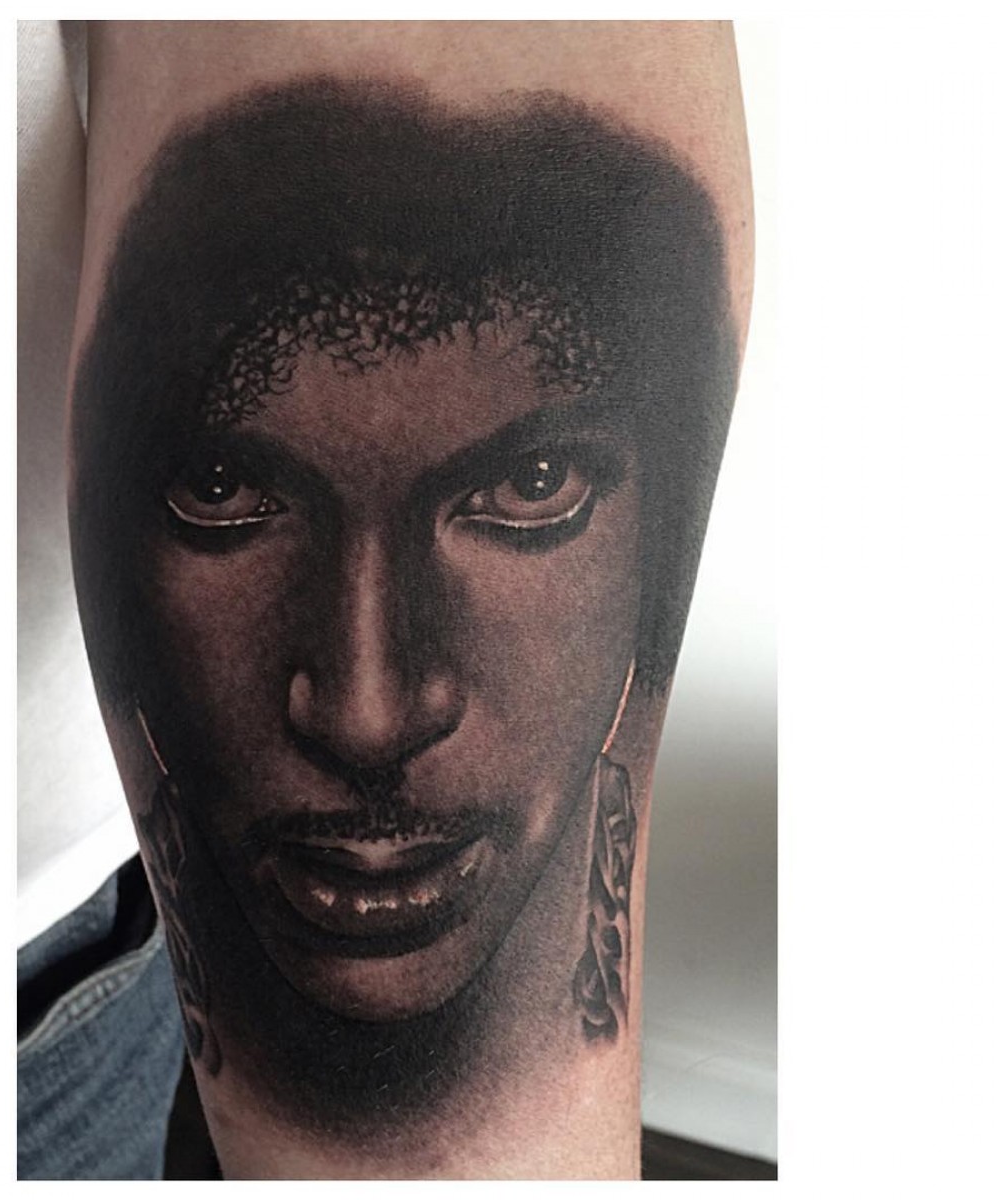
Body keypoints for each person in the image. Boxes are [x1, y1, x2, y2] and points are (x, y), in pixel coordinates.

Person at [65, 40, 748, 1177]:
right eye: (225, 493)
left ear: (656, 555)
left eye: (529, 488)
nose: (368, 715)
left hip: (73, 956)